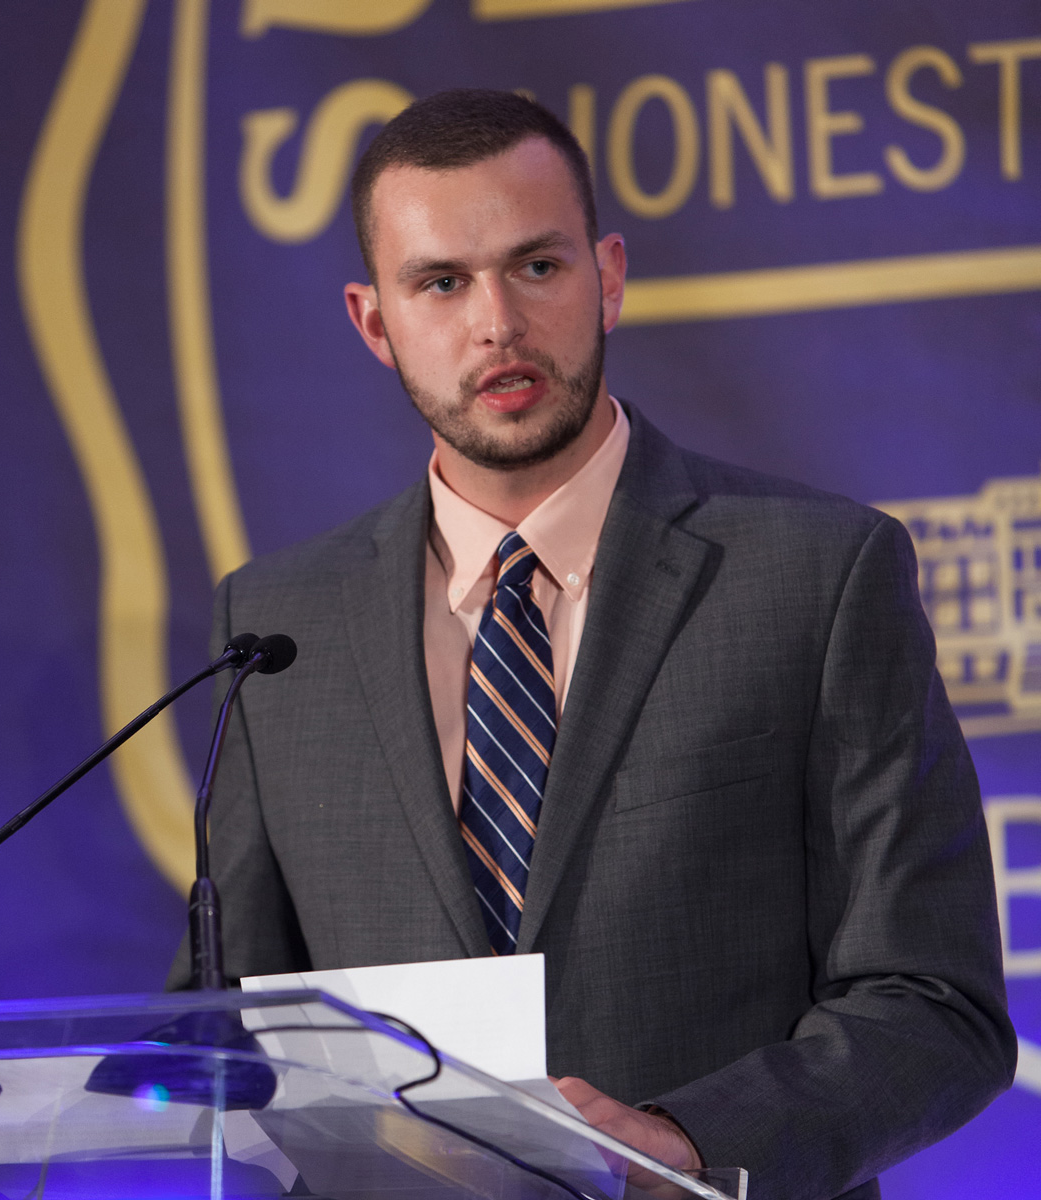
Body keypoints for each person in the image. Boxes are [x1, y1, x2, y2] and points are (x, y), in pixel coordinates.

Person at [169, 90, 1015, 1199]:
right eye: (441, 282)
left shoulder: (814, 575)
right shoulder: (279, 627)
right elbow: (228, 1017)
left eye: (538, 267)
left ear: (608, 275)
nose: (497, 325)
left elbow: (935, 1002)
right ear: (374, 322)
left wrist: (682, 1143)